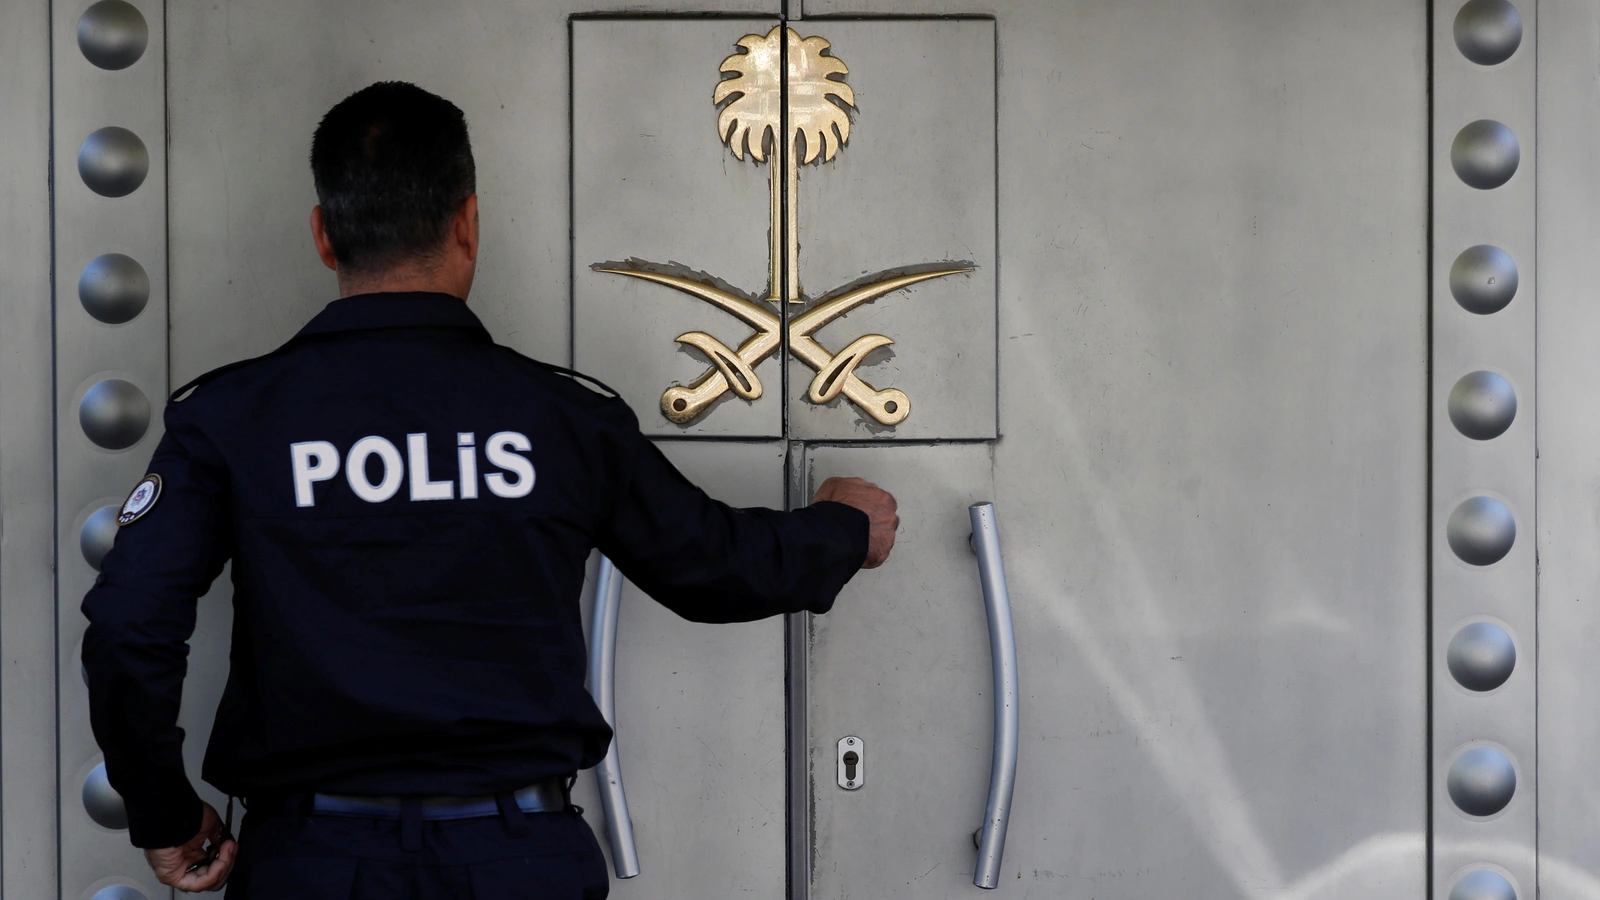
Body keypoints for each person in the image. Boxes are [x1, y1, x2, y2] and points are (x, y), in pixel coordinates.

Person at [81, 81, 898, 899]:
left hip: (312, 862)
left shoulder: (230, 418)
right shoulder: (563, 418)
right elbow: (713, 564)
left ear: (324, 236)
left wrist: (165, 813)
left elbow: (129, 624)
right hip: (518, 861)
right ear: (468, 224)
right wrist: (844, 528)